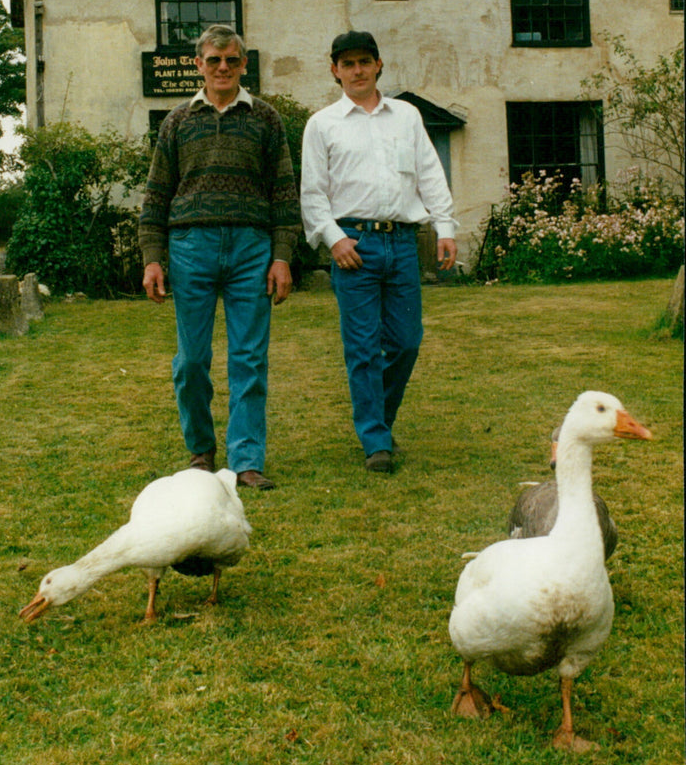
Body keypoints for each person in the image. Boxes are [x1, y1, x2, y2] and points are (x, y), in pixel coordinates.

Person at [139, 25, 301, 490]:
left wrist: (282, 255)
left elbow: (284, 193)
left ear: (244, 64)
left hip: (253, 249)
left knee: (249, 358)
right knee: (191, 361)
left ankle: (247, 459)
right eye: (214, 60)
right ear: (199, 65)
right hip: (191, 248)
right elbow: (156, 195)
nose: (223, 68)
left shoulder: (266, 120)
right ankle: (201, 452)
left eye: (231, 60)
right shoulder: (177, 122)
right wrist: (154, 257)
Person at [300, 30, 458, 474]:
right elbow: (312, 193)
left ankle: (378, 422)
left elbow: (430, 173)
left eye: (364, 62)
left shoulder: (406, 116)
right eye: (347, 64)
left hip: (403, 243)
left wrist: (444, 226)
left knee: (407, 342)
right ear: (334, 70)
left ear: (378, 65)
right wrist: (334, 239)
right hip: (355, 246)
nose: (357, 71)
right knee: (364, 348)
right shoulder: (322, 124)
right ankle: (375, 441)